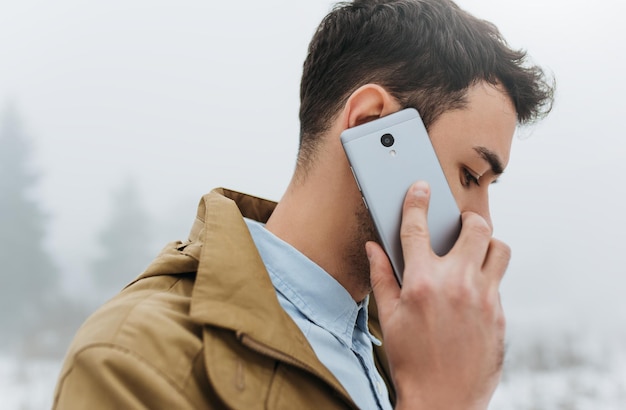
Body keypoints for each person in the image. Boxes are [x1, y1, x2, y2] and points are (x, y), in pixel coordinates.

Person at [53, 0, 554, 408]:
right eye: (470, 175)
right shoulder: (131, 360)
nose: (483, 221)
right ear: (369, 125)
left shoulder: (402, 350)